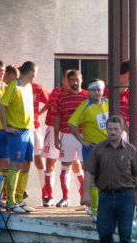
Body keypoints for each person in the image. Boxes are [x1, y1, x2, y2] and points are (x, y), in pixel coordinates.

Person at [82, 115, 137, 243]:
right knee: (104, 233)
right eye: (110, 129)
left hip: (126, 196)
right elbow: (88, 172)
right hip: (106, 197)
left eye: (116, 129)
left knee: (125, 233)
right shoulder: (99, 149)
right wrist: (85, 193)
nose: (112, 132)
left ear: (122, 130)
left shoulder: (130, 149)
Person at [0, 61, 37, 213]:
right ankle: (11, 201)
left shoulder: (29, 87)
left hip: (29, 130)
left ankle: (20, 200)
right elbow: (2, 105)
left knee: (27, 165)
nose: (36, 76)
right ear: (31, 73)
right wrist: (6, 126)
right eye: (36, 73)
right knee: (16, 165)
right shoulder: (14, 85)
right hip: (17, 132)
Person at [69, 79, 109, 219]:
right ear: (89, 91)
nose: (97, 92)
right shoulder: (85, 106)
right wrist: (81, 140)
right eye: (94, 90)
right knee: (93, 178)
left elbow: (118, 119)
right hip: (91, 147)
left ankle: (100, 208)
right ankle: (95, 210)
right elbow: (72, 123)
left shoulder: (107, 103)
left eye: (99, 89)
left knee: (104, 178)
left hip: (107, 147)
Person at [54, 70, 88, 207]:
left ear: (81, 80)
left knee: (87, 167)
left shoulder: (87, 96)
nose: (75, 82)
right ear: (68, 81)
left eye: (77, 79)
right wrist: (56, 137)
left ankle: (86, 198)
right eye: (72, 80)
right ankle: (65, 198)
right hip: (67, 135)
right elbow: (58, 117)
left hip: (84, 136)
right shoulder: (62, 97)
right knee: (65, 166)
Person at [41, 69, 71, 207]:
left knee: (75, 165)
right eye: (68, 79)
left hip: (71, 132)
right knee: (50, 163)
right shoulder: (57, 91)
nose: (70, 83)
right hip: (54, 128)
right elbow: (53, 108)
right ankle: (50, 196)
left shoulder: (82, 94)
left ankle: (80, 197)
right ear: (63, 80)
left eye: (73, 80)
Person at [30, 81, 50, 202]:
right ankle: (16, 195)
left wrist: (38, 114)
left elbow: (49, 102)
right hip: (20, 129)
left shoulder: (38, 87)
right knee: (19, 161)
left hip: (35, 127)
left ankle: (45, 193)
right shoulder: (16, 87)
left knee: (39, 160)